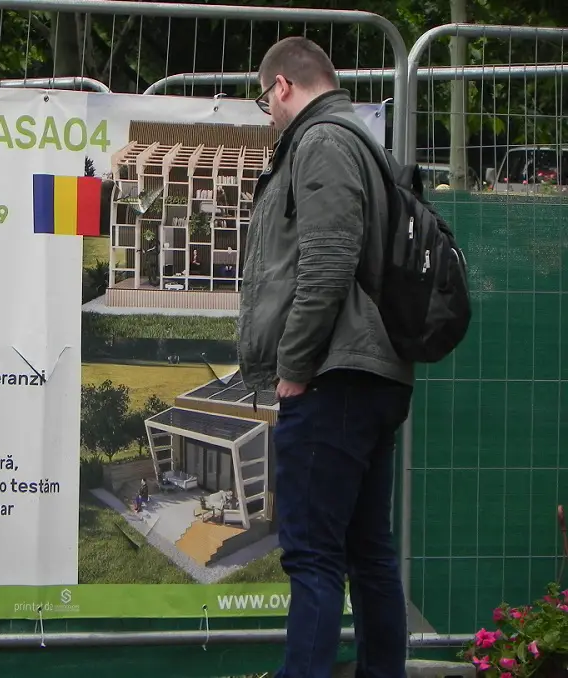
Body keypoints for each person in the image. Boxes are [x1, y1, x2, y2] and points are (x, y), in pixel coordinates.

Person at [237, 36, 415, 678]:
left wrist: (293, 369)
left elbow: (327, 263)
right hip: (368, 373)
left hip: (333, 378)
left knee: (313, 557)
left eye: (267, 102)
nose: (270, 116)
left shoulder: (321, 141)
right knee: (368, 553)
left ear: (282, 86)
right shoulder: (362, 142)